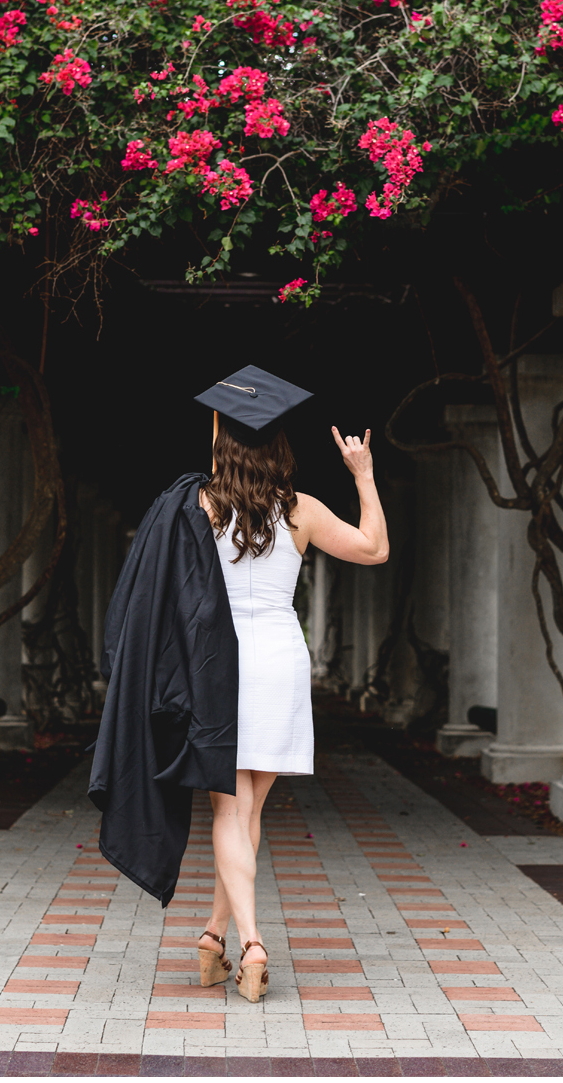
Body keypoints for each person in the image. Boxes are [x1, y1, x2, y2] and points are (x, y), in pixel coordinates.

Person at [192, 365, 389, 1002]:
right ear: (279, 446)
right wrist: (362, 476)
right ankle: (213, 935)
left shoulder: (202, 504)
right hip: (279, 657)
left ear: (222, 442)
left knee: (230, 808)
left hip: (220, 662)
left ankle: (249, 943)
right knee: (248, 810)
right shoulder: (299, 510)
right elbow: (373, 548)